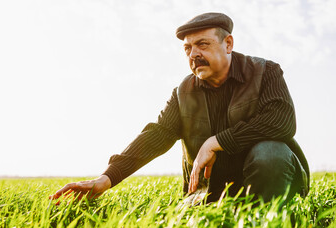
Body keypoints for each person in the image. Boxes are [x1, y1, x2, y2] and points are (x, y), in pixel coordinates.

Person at [51, 12, 310, 204]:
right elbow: (156, 135)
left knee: (269, 152)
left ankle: (270, 224)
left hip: (272, 185)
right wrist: (106, 178)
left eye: (203, 44)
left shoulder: (265, 71)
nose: (193, 54)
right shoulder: (183, 91)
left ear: (228, 44)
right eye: (187, 48)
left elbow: (281, 121)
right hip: (211, 192)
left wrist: (217, 141)